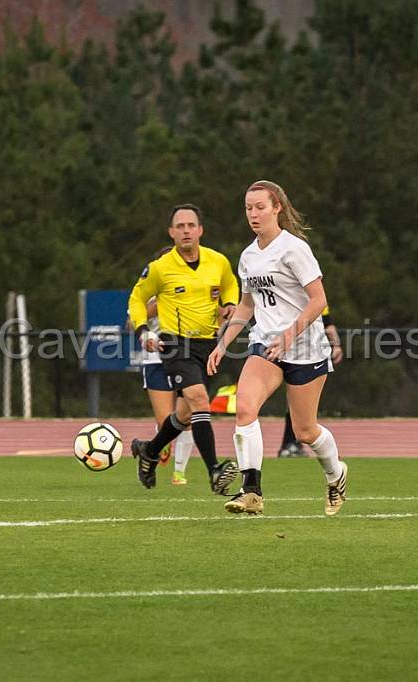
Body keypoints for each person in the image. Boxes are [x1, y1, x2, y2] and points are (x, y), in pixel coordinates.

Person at [208, 180, 347, 516]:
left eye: (260, 207)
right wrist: (223, 344)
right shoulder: (248, 256)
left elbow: (319, 301)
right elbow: (246, 306)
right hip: (265, 346)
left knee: (305, 431)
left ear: (277, 208)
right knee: (244, 408)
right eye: (248, 208)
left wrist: (289, 335)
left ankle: (336, 474)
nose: (253, 214)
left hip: (305, 348)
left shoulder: (293, 248)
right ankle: (251, 491)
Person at [127, 203, 240, 494]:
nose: (186, 230)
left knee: (184, 415)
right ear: (171, 233)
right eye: (180, 226)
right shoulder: (160, 268)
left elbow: (230, 285)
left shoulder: (218, 261)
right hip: (175, 344)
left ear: (200, 230)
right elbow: (137, 298)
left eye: (191, 225)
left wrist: (229, 303)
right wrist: (142, 331)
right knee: (200, 400)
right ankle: (215, 470)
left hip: (209, 344)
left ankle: (149, 451)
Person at [133, 247, 195, 485]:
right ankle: (156, 446)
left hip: (185, 357)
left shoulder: (192, 287)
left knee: (185, 416)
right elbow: (131, 321)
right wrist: (159, 303)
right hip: (156, 360)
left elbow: (217, 313)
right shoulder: (149, 289)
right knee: (165, 422)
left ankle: (180, 473)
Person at [278, 306, 342, 457]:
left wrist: (336, 345)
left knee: (297, 406)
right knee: (293, 402)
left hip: (306, 354)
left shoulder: (315, 296)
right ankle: (289, 444)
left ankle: (291, 444)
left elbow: (327, 323)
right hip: (280, 347)